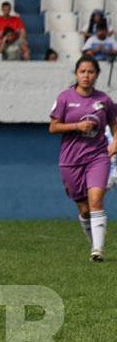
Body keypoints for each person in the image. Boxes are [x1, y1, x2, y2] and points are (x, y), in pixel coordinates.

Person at [49, 55, 117, 262]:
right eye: (82, 72)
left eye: (91, 72)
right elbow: (52, 127)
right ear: (76, 74)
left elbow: (115, 124)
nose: (86, 76)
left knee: (96, 199)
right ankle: (94, 244)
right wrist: (76, 126)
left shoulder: (104, 100)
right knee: (84, 209)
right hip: (70, 160)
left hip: (98, 157)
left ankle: (97, 250)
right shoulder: (65, 98)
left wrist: (114, 143)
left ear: (96, 75)